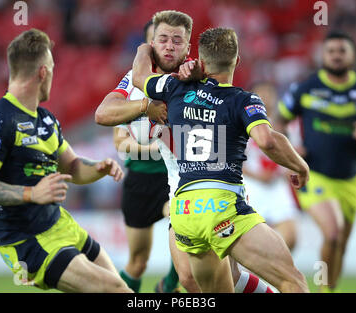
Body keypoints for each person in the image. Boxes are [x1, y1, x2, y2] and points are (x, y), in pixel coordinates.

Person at [97, 10, 274, 294]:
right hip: (173, 186)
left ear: (188, 48)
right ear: (152, 43)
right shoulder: (135, 79)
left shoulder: (196, 74)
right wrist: (145, 107)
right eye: (163, 39)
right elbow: (103, 113)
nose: (169, 46)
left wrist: (195, 73)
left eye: (177, 41)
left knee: (221, 274)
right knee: (189, 277)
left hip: (212, 186)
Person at [132, 27, 310, 292]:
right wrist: (300, 165)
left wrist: (144, 47)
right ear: (237, 60)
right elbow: (267, 140)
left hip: (184, 213)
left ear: (201, 63)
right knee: (292, 281)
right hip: (221, 206)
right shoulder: (242, 100)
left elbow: (139, 76)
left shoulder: (174, 87)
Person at [0, 29, 131, 293]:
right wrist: (32, 193)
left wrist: (98, 168)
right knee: (114, 290)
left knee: (123, 290)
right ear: (43, 72)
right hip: (27, 240)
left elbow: (73, 167)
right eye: (51, 67)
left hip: (60, 223)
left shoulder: (46, 119)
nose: (53, 74)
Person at [275, 31, 356, 292]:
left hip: (351, 180)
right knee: (332, 233)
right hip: (314, 175)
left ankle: (329, 290)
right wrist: (290, 148)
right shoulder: (306, 89)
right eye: (331, 51)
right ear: (323, 55)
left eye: (342, 51)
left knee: (339, 244)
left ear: (351, 55)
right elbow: (278, 121)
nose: (336, 56)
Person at [104, 19, 180, 293]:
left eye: (169, 42)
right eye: (156, 41)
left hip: (171, 179)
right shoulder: (130, 89)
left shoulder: (179, 82)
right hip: (139, 180)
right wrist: (155, 148)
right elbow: (120, 142)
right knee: (137, 262)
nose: (162, 48)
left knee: (186, 237)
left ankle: (170, 285)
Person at [243, 82, 300, 251]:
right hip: (251, 185)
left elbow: (295, 155)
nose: (266, 98)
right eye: (261, 94)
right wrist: (257, 176)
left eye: (269, 94)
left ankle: (273, 270)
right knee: (252, 239)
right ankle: (255, 273)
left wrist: (286, 172)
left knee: (291, 237)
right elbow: (233, 160)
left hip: (277, 186)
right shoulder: (242, 121)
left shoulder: (288, 125)